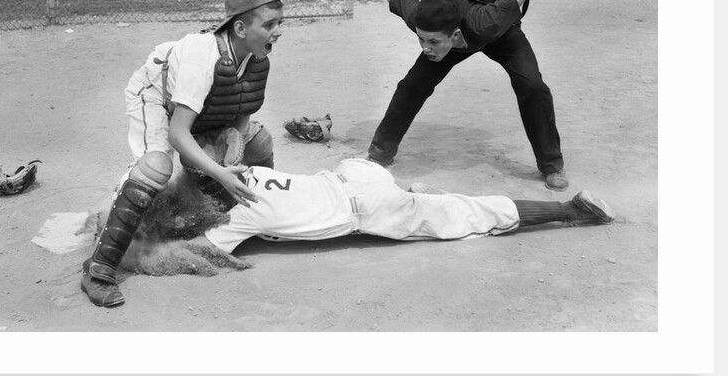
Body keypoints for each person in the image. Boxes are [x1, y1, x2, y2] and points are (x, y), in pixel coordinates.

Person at [324, 0, 588, 192]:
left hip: (502, 35)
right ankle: (379, 154)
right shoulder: (420, 18)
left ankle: (551, 164)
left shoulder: (488, 22)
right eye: (421, 40)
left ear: (456, 35)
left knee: (533, 86)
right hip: (451, 33)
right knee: (411, 85)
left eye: (432, 42)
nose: (426, 48)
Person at [81, 0, 285, 308]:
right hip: (156, 96)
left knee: (258, 142)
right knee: (157, 168)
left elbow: (240, 116)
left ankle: (251, 215)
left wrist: (230, 159)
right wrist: (219, 173)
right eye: (269, 24)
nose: (278, 31)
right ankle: (99, 268)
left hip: (195, 104)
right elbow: (178, 133)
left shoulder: (256, 58)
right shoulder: (200, 62)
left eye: (280, 23)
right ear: (240, 28)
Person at [172, 128, 614, 257]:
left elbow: (201, 251)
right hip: (356, 174)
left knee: (473, 215)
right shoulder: (247, 172)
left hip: (371, 207)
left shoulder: (239, 218)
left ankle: (571, 211)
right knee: (433, 203)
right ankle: (421, 195)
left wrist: (148, 244)